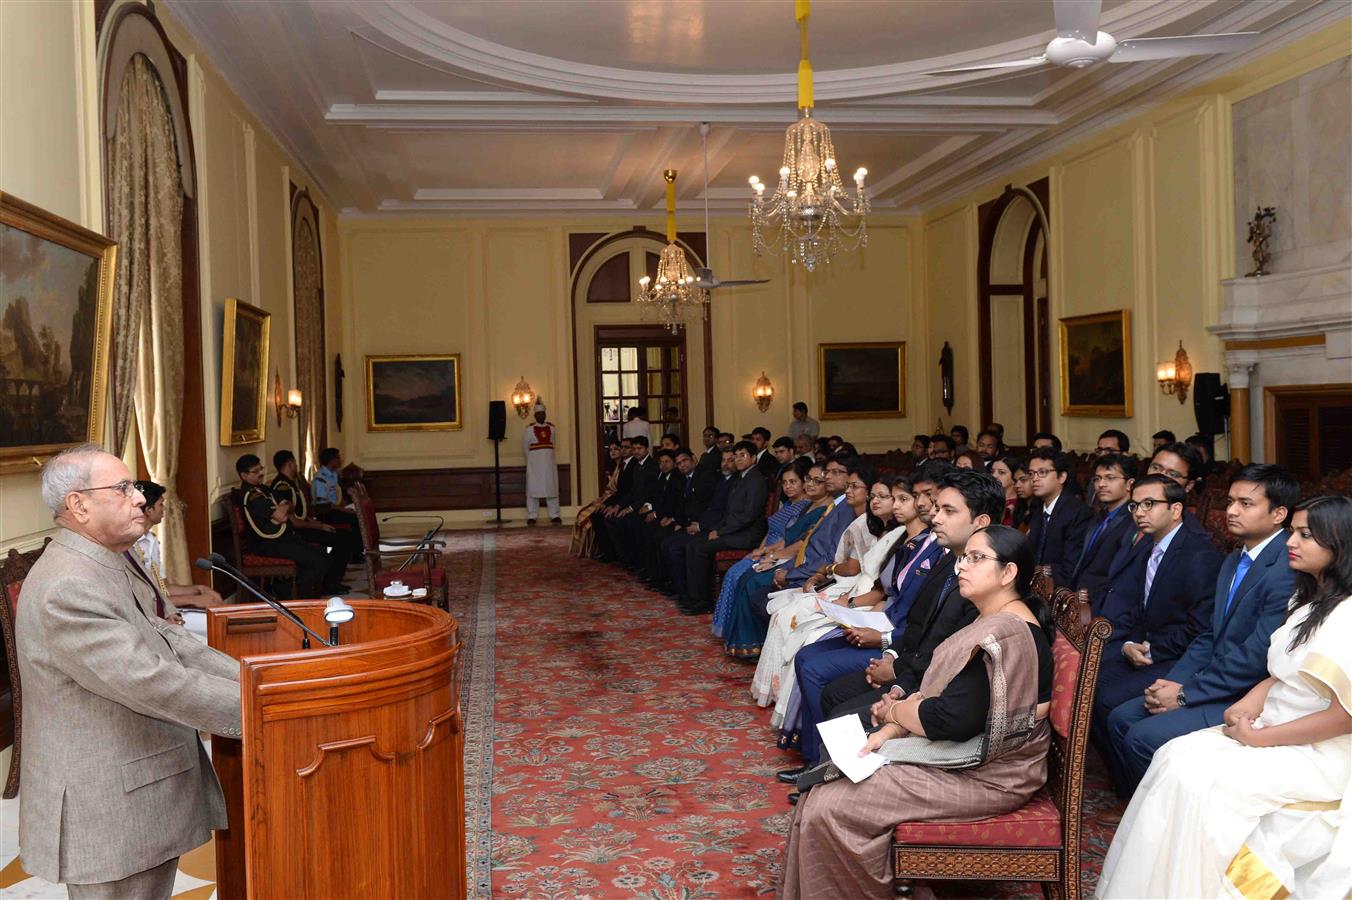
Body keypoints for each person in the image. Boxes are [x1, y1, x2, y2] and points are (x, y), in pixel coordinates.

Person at [1098, 494, 1352, 899]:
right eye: (1293, 532)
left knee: (1202, 783)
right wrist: (1250, 702)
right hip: (1273, 724)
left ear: (1340, 543)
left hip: (1322, 750)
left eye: (1306, 535)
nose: (1292, 542)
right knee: (1173, 758)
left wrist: (1258, 738)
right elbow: (1283, 672)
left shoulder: (1348, 615)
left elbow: (1344, 718)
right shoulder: (1309, 600)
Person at [781, 525, 1054, 899]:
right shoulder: (990, 620)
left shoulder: (1007, 635)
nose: (962, 568)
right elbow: (941, 697)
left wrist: (894, 715)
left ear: (1009, 573)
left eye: (977, 559)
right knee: (829, 782)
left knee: (832, 804)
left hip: (990, 775)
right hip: (966, 754)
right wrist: (891, 728)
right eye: (963, 558)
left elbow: (949, 718)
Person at [17, 444, 242, 897]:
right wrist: (257, 706)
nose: (139, 497)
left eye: (133, 486)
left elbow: (167, 638)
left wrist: (254, 678)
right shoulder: (69, 585)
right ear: (77, 504)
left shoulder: (109, 557)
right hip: (108, 808)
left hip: (139, 790)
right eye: (122, 489)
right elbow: (150, 680)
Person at [1100, 464, 1299, 809]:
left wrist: (1185, 694)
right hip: (1212, 680)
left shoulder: (1284, 569)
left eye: (1246, 504)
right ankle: (1142, 815)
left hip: (1245, 692)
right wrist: (1170, 683)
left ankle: (1169, 821)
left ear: (1279, 513)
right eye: (1231, 501)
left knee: (1142, 736)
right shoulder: (1234, 559)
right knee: (1121, 717)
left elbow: (1257, 655)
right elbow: (1209, 635)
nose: (1232, 511)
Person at [1090, 475, 1222, 758]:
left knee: (1105, 700)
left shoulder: (1198, 556)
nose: (1139, 512)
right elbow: (1142, 606)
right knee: (1086, 681)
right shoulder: (1151, 547)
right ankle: (1119, 778)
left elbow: (1200, 628)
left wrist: (1152, 649)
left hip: (1179, 657)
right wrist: (1129, 643)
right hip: (1148, 646)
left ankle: (1129, 784)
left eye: (1149, 504)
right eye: (1135, 505)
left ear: (1175, 510)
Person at [713, 458, 813, 640]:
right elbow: (771, 531)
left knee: (741, 576)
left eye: (793, 482)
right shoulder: (787, 504)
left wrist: (769, 553)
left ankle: (738, 632)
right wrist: (758, 550)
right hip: (766, 548)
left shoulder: (805, 507)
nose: (788, 487)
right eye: (784, 483)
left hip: (779, 552)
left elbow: (789, 537)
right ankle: (727, 628)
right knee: (733, 574)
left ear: (803, 482)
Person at [236, 453, 349, 597]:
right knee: (320, 562)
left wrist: (283, 508)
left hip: (285, 538)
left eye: (261, 469)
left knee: (324, 558)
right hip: (269, 544)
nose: (261, 474)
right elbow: (281, 516)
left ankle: (292, 591)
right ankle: (288, 592)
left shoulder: (262, 489)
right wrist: (282, 509)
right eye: (256, 471)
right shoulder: (251, 496)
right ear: (244, 476)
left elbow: (289, 505)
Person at [682, 441, 770, 615]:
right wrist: (716, 529)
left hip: (747, 535)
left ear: (753, 458)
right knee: (693, 544)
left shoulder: (756, 480)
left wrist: (720, 532)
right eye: (736, 456)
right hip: (733, 530)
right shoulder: (740, 477)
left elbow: (748, 515)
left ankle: (704, 601)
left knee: (700, 548)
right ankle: (694, 597)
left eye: (743, 455)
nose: (738, 459)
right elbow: (728, 512)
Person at [133, 480, 224, 618]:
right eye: (160, 504)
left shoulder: (151, 540)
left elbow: (163, 587)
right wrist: (193, 600)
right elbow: (142, 599)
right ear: (148, 510)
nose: (164, 509)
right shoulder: (129, 546)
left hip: (164, 611)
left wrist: (197, 590)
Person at [270, 449, 362, 565]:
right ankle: (330, 579)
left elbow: (301, 514)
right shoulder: (282, 487)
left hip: (305, 525)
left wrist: (318, 525)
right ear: (290, 463)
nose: (296, 465)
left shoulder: (290, 483)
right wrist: (318, 526)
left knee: (343, 536)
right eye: (295, 462)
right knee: (340, 539)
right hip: (296, 532)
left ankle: (334, 574)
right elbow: (294, 521)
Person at [1070, 454, 1138, 608]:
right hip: (1080, 598)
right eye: (1097, 478)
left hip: (1105, 604)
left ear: (1130, 484)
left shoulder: (1133, 521)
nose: (1101, 484)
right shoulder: (1098, 516)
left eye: (1110, 478)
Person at [1025, 447, 1093, 584]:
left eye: (1042, 472)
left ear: (1062, 477)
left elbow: (1071, 566)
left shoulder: (1077, 512)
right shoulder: (1038, 509)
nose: (1035, 479)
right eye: (1031, 473)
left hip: (1062, 589)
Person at [523, 400, 562, 524]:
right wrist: (533, 461)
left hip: (549, 464)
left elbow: (553, 444)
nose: (541, 416)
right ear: (535, 416)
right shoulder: (529, 430)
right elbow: (525, 447)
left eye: (543, 414)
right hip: (535, 466)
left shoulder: (552, 428)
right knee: (533, 490)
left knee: (551, 489)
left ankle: (554, 514)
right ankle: (532, 515)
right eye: (539, 414)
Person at [989, 454, 1019, 526]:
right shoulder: (990, 498)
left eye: (1001, 472)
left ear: (1015, 475)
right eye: (992, 472)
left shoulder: (1020, 503)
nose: (994, 476)